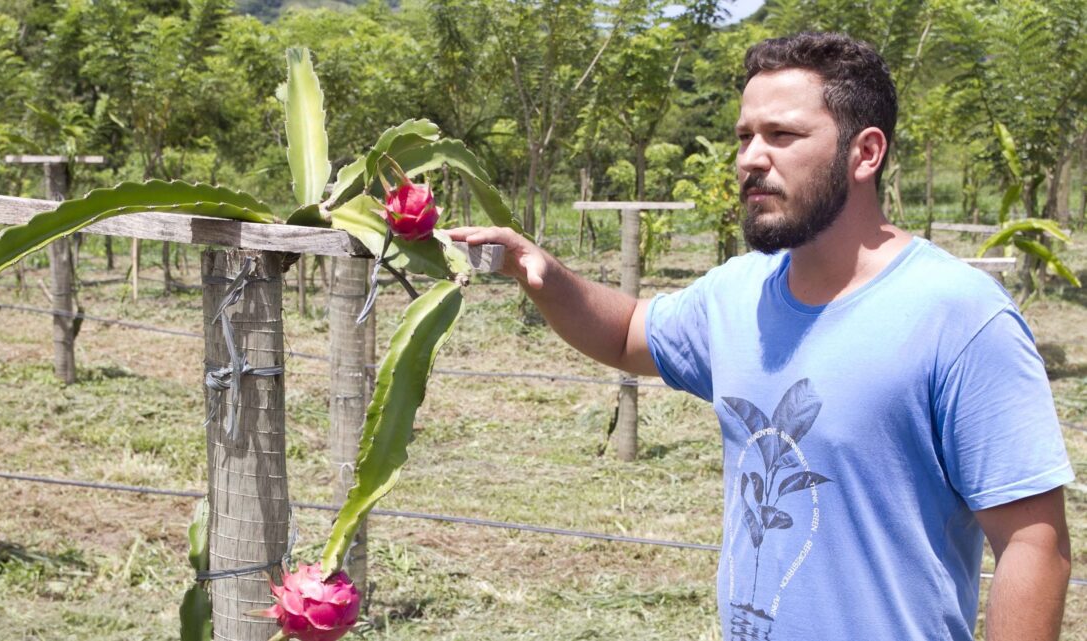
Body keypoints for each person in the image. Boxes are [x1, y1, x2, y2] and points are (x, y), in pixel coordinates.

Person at [450, 32, 1074, 641]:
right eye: (745, 136)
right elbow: (626, 334)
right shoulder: (738, 294)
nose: (750, 157)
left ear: (866, 153)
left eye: (782, 135)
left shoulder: (958, 316)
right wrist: (540, 272)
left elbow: (1032, 544)